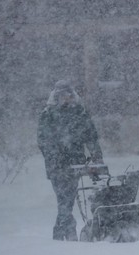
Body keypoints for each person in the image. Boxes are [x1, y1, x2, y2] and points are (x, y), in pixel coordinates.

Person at [37, 80, 103, 241]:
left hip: (75, 164)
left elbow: (91, 137)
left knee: (67, 200)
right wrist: (56, 157)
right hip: (56, 167)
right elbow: (43, 141)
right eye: (63, 96)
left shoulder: (80, 113)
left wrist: (97, 157)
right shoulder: (48, 115)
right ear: (57, 96)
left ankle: (62, 234)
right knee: (64, 199)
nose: (67, 98)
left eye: (69, 95)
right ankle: (68, 231)